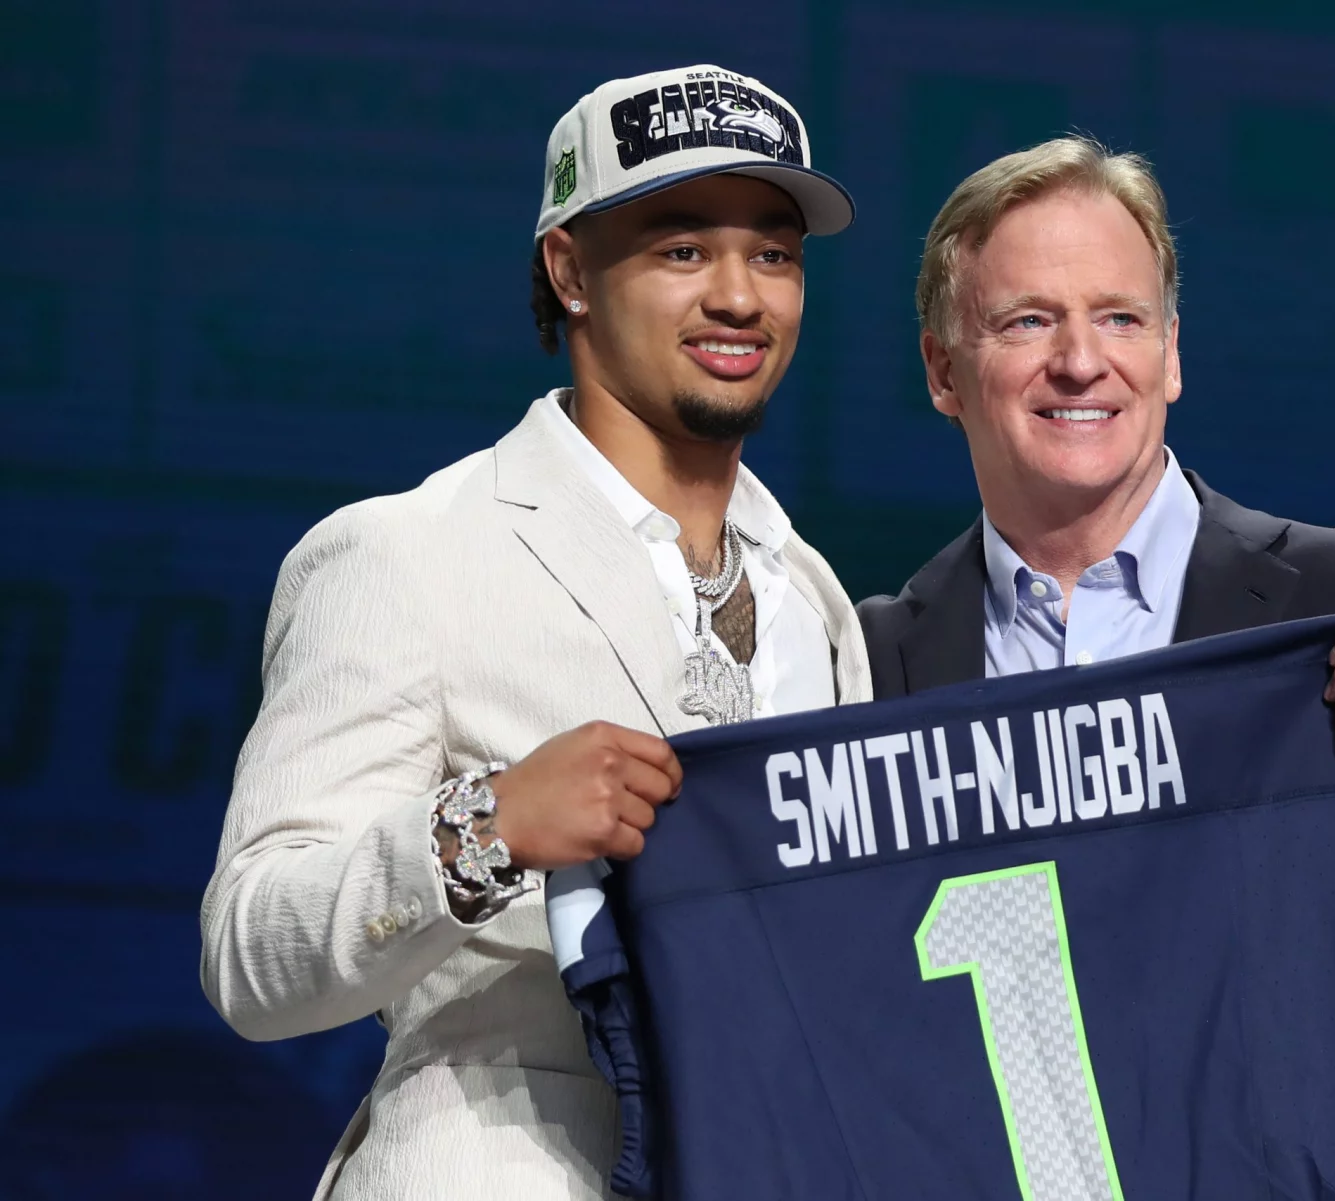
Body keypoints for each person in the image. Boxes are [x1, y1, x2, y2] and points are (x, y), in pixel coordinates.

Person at [200, 65, 868, 1199]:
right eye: (680, 250)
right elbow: (251, 956)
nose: (741, 297)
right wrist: (486, 828)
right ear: (568, 270)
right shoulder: (406, 553)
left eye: (774, 253)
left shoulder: (817, 598)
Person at [858, 136, 1335, 1049]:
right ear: (943, 370)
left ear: (1172, 354)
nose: (1079, 361)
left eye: (1120, 319)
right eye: (1028, 320)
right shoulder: (863, 666)